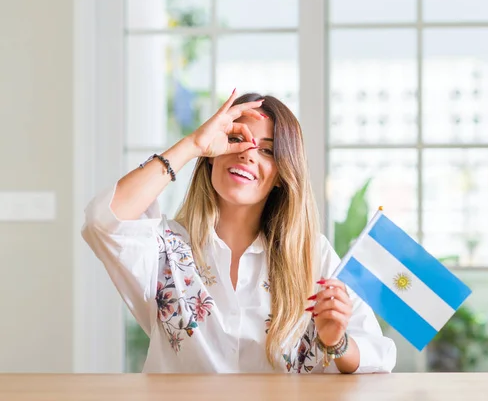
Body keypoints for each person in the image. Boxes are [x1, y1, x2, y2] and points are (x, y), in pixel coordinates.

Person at [82, 90, 397, 374]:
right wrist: (192, 145)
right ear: (211, 158)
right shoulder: (164, 246)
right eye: (236, 139)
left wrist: (336, 341)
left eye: (268, 151)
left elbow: (377, 355)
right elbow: (103, 221)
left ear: (281, 176)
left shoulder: (311, 254)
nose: (248, 153)